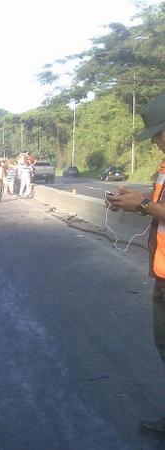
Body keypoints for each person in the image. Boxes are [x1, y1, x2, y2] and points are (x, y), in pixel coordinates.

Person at [107, 94, 165, 435]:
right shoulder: (163, 168)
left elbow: (153, 207)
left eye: (159, 133)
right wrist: (130, 201)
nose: (156, 141)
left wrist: (141, 204)